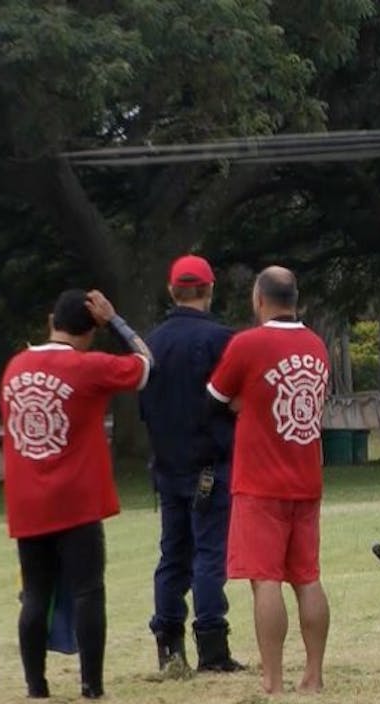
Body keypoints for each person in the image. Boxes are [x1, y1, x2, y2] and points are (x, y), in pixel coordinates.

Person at [1, 289, 154, 699]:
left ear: (52, 320)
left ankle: (36, 684)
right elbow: (145, 365)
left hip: (27, 500)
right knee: (88, 590)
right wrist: (116, 321)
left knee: (35, 593)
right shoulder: (88, 367)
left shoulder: (15, 367)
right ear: (90, 332)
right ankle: (91, 684)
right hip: (77, 500)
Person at [206, 266, 330, 695]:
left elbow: (216, 399)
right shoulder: (316, 345)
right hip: (306, 476)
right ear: (294, 298)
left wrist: (245, 401)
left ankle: (273, 680)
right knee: (307, 577)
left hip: (260, 480)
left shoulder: (248, 344)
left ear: (259, 299)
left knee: (266, 579)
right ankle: (313, 675)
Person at [138, 255, 243, 674]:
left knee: (173, 554)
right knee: (209, 554)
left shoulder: (151, 344)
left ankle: (169, 645)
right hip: (209, 464)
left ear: (172, 291)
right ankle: (213, 645)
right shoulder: (222, 341)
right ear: (209, 289)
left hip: (166, 464)